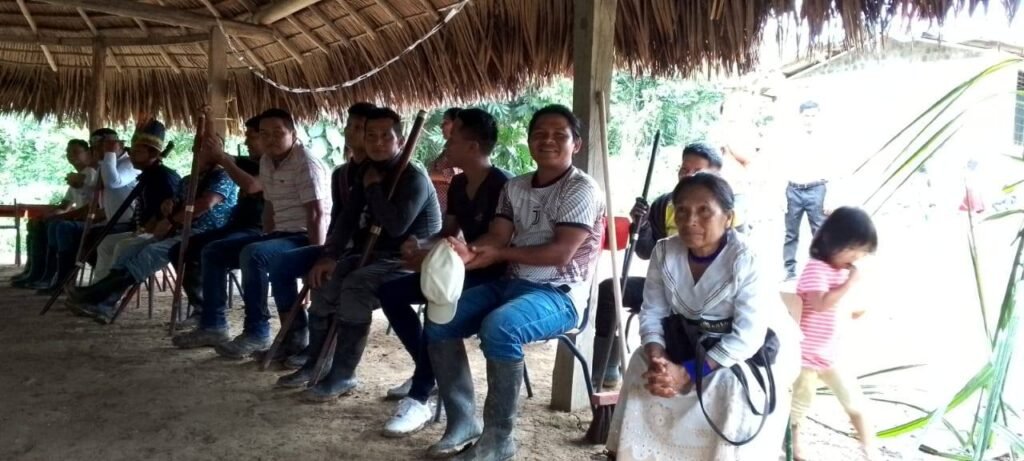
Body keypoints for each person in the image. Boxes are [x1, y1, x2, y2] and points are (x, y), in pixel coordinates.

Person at [423, 105, 605, 460]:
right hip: (513, 285)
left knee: (501, 327)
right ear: (529, 140)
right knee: (439, 319)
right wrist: (472, 251)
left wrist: (498, 254)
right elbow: (498, 236)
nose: (547, 141)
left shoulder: (581, 189)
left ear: (576, 144)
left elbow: (560, 253)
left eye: (559, 135)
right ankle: (463, 423)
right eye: (539, 134)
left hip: (560, 294)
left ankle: (498, 440)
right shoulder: (516, 186)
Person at [605, 173, 800, 460]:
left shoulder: (747, 259)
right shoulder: (665, 251)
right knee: (641, 363)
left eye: (704, 211)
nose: (690, 220)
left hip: (744, 351)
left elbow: (747, 336)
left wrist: (687, 373)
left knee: (728, 384)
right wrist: (660, 359)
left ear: (728, 218)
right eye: (682, 211)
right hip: (688, 340)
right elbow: (653, 312)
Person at [274, 107, 442, 401]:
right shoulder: (365, 172)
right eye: (371, 136)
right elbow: (347, 220)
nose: (377, 143)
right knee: (324, 281)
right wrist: (329, 256)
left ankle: (343, 375)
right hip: (372, 256)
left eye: (385, 137)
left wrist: (374, 188)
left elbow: (395, 226)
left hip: (409, 262)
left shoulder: (412, 177)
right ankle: (317, 363)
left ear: (400, 141)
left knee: (355, 286)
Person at [376, 108, 511, 437]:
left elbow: (497, 242)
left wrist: (446, 255)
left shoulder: (503, 185)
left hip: (492, 276)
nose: (446, 144)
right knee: (390, 292)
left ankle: (420, 395)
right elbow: (447, 232)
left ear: (473, 146)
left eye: (452, 138)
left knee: (438, 306)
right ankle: (432, 368)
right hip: (458, 270)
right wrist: (419, 243)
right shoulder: (459, 183)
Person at [172, 108, 332, 358]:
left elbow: (317, 214)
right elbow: (269, 204)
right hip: (279, 235)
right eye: (264, 134)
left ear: (293, 134)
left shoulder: (306, 163)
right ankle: (213, 325)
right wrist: (267, 235)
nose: (270, 139)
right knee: (214, 251)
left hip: (303, 237)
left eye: (278, 133)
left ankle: (257, 332)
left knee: (254, 253)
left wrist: (317, 255)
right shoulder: (267, 160)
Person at [591, 142, 725, 389]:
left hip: (710, 299)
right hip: (666, 288)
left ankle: (691, 371)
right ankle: (605, 368)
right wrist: (641, 226)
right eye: (684, 169)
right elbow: (646, 251)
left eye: (697, 171)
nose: (688, 177)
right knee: (611, 290)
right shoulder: (665, 204)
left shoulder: (727, 210)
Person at [261, 102, 376, 367]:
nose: (352, 132)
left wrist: (332, 257)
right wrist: (326, 252)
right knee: (280, 264)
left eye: (360, 128)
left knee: (329, 281)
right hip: (340, 248)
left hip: (366, 252)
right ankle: (295, 336)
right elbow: (337, 221)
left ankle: (323, 352)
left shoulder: (383, 173)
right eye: (349, 126)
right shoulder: (342, 174)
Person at [65, 148, 238, 324]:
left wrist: (170, 221)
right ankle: (105, 301)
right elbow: (176, 201)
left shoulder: (223, 177)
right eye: (196, 153)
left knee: (153, 251)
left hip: (205, 233)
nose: (197, 157)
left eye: (202, 152)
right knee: (129, 248)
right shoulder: (188, 180)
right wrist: (169, 205)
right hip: (179, 230)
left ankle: (96, 296)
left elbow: (205, 204)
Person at [790, 207, 879, 461]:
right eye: (852, 250)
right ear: (832, 242)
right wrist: (850, 284)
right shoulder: (816, 269)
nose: (856, 257)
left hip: (830, 354)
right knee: (799, 406)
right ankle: (794, 448)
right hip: (806, 355)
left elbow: (838, 306)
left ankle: (869, 448)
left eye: (861, 252)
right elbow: (820, 304)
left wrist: (855, 308)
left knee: (854, 401)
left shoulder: (840, 271)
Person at [166, 114, 266, 328]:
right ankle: (202, 309)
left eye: (251, 136)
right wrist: (208, 119)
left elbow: (252, 186)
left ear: (266, 136)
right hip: (236, 226)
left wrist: (222, 159)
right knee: (180, 250)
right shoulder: (248, 162)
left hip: (257, 230)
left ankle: (217, 320)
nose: (246, 142)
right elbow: (215, 150)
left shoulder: (274, 166)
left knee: (213, 251)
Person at [32, 129, 139, 294]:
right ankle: (72, 282)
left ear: (115, 145)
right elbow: (96, 193)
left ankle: (103, 285)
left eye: (101, 148)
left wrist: (109, 154)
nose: (96, 152)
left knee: (85, 236)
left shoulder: (129, 163)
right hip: (110, 223)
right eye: (95, 148)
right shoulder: (105, 165)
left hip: (127, 224)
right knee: (82, 235)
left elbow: (112, 182)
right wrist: (82, 184)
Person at [89, 120, 180, 284]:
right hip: (142, 229)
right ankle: (97, 286)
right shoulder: (147, 174)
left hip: (161, 233)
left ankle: (108, 291)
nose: (131, 155)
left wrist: (148, 228)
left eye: (138, 151)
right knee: (106, 244)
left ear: (153, 154)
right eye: (132, 150)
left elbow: (170, 211)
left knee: (122, 246)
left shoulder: (164, 176)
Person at [12, 139, 97, 288]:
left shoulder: (91, 174)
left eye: (76, 152)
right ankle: (35, 271)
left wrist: (59, 216)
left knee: (58, 226)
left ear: (88, 153)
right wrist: (49, 215)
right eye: (68, 152)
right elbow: (65, 205)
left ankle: (51, 276)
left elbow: (91, 207)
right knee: (37, 223)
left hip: (91, 221)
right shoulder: (77, 176)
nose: (71, 155)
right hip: (79, 219)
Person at [783, 100, 830, 281]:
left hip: (816, 189)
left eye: (813, 116)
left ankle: (819, 272)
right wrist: (780, 195)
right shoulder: (790, 138)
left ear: (818, 117)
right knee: (791, 233)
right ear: (800, 116)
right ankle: (789, 271)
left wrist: (830, 197)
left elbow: (833, 168)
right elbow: (780, 166)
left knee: (819, 233)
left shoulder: (825, 138)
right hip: (794, 189)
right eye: (806, 116)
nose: (809, 119)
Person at [429, 107, 463, 214]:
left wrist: (428, 175)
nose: (441, 126)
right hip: (438, 207)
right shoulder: (448, 148)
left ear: (457, 124)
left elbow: (457, 172)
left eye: (446, 122)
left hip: (447, 209)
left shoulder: (462, 148)